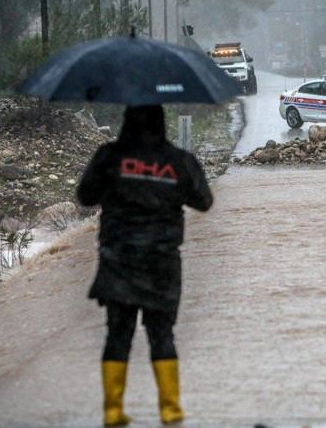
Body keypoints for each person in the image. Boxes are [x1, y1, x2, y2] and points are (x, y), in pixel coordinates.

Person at [77, 105, 213, 426]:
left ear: (125, 122)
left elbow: (85, 196)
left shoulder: (109, 157)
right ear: (161, 123)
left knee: (117, 334)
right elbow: (204, 201)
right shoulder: (178, 161)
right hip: (161, 263)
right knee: (162, 333)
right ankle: (170, 409)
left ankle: (112, 410)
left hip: (118, 260)